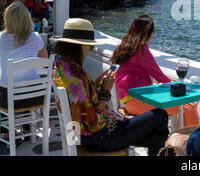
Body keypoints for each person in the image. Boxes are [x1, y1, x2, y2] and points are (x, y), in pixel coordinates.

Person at [52, 18, 169, 155]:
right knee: (161, 115)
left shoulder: (61, 65)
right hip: (99, 138)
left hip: (82, 134)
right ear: (81, 46)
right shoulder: (76, 79)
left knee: (156, 137)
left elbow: (82, 100)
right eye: (89, 46)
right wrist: (105, 93)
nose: (90, 49)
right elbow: (93, 122)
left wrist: (96, 84)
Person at [112, 15, 200, 126]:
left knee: (184, 106)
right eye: (153, 31)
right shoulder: (141, 50)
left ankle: (182, 138)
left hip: (129, 101)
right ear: (148, 33)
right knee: (187, 105)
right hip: (139, 101)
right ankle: (195, 139)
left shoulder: (126, 46)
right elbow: (159, 76)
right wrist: (181, 86)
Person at [0, 2, 48, 108]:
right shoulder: (35, 37)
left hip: (7, 99)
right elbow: (45, 59)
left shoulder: (1, 38)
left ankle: (7, 123)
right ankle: (29, 123)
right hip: (33, 96)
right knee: (35, 81)